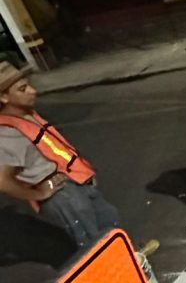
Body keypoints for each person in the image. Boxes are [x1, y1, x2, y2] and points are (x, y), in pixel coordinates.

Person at [0, 61, 156, 254]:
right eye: (23, 89)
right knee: (91, 241)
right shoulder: (6, 134)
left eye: (28, 84)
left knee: (108, 218)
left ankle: (129, 255)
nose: (33, 91)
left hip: (74, 181)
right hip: (62, 195)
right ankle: (112, 275)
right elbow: (2, 181)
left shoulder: (26, 115)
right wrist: (38, 194)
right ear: (3, 97)